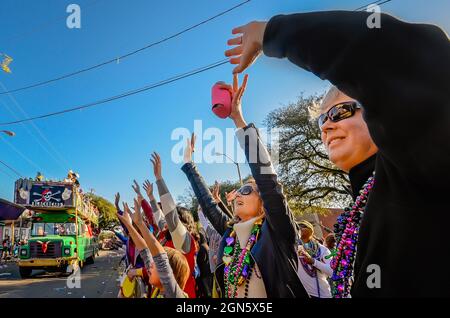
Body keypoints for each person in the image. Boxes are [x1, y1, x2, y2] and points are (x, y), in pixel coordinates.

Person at [224, 11, 450, 297]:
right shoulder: (365, 201)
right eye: (321, 120)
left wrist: (268, 32)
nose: (327, 126)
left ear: (378, 108)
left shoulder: (415, 170)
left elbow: (402, 56)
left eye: (340, 111)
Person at [181, 74, 307, 298]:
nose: (239, 193)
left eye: (247, 190)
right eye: (239, 190)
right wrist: (189, 164)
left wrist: (239, 120)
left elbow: (268, 181)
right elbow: (209, 204)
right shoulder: (230, 233)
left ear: (263, 204)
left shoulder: (277, 232)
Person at [148, 153, 199, 298]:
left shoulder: (185, 242)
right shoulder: (167, 236)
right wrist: (151, 198)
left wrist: (159, 179)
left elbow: (171, 217)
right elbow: (161, 218)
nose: (166, 223)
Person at [117, 199, 190, 298]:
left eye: (156, 264)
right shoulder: (157, 290)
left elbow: (161, 259)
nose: (150, 264)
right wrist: (134, 224)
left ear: (169, 273)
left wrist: (140, 224)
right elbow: (145, 251)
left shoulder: (174, 295)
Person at [296, 220, 332, 298]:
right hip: (300, 292)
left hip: (321, 294)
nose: (300, 229)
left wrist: (313, 261)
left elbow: (331, 271)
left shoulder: (322, 250)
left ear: (311, 231)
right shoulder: (292, 248)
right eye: (298, 227)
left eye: (303, 227)